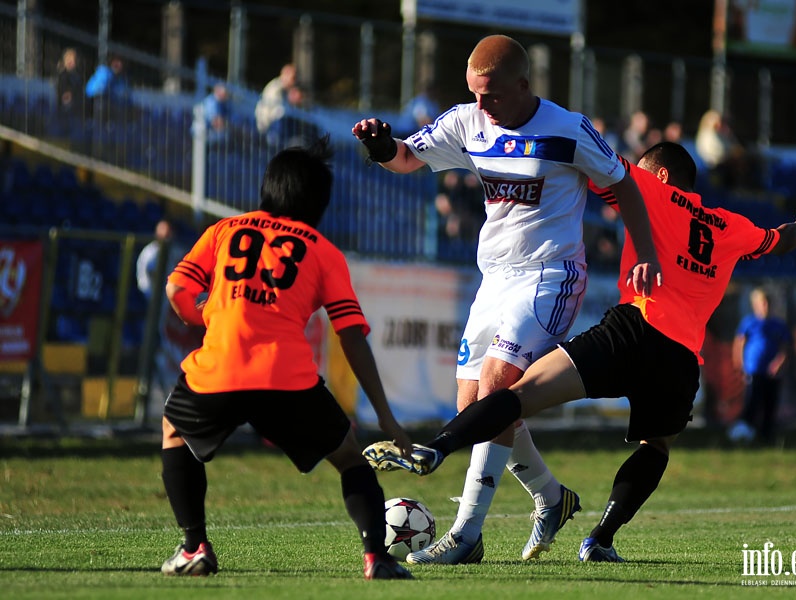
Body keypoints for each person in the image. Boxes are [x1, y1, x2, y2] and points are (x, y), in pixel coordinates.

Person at [363, 141, 796, 564]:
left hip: (633, 331)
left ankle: (438, 447)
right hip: (681, 359)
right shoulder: (730, 225)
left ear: (661, 175)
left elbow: (590, 159)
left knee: (520, 394)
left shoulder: (649, 188)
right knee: (657, 446)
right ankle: (600, 539)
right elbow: (784, 239)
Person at [352, 34, 661, 565]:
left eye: (490, 95)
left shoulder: (569, 129)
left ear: (523, 85)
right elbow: (407, 159)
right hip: (493, 278)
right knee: (471, 407)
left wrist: (646, 251)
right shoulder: (468, 122)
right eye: (473, 93)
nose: (481, 105)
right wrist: (382, 147)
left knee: (498, 385)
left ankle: (466, 535)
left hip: (551, 274)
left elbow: (625, 184)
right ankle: (550, 495)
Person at [158, 136, 414, 580]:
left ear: (267, 188)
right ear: (319, 202)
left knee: (174, 432)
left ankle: (194, 547)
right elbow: (351, 336)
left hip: (218, 369)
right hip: (287, 379)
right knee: (351, 459)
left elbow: (177, 289)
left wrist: (209, 321)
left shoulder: (224, 230)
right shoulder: (323, 250)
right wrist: (387, 417)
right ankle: (377, 557)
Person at [729, 287, 791, 444]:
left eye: (768, 303)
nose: (765, 306)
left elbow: (785, 348)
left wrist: (778, 363)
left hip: (772, 372)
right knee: (752, 401)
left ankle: (767, 435)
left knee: (770, 402)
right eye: (762, 303)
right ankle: (745, 432)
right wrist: (740, 364)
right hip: (754, 370)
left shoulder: (779, 325)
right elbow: (739, 344)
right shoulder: (749, 323)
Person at [255, 63, 297, 137]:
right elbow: (277, 112)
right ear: (285, 75)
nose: (294, 81)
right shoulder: (276, 89)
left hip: (272, 125)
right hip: (268, 126)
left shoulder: (284, 90)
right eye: (293, 78)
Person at [55, 48, 85, 137]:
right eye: (68, 60)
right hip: (64, 111)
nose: (71, 62)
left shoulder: (78, 77)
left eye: (73, 60)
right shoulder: (62, 76)